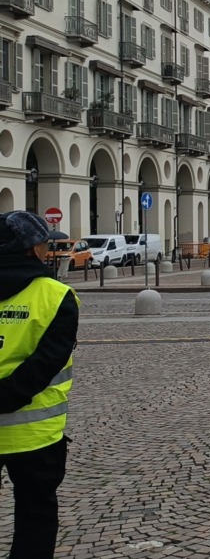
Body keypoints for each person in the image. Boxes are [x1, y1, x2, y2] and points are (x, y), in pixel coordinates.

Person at [0, 211, 78, 557]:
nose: (48, 249)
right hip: (35, 432)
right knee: (35, 514)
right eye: (45, 243)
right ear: (33, 249)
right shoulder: (56, 295)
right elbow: (48, 360)